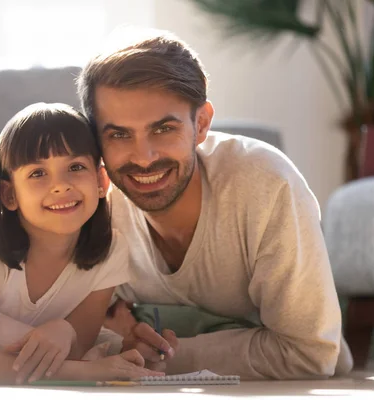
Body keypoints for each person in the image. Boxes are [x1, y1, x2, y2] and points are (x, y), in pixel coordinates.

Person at [75, 28, 353, 380]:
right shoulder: (90, 201)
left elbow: (310, 354)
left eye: (163, 129)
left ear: (202, 123)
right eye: (118, 134)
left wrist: (157, 355)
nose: (143, 158)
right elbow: (69, 335)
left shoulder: (267, 185)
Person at [0, 102, 164, 385]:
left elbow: (79, 346)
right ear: (9, 194)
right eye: (38, 173)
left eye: (75, 167)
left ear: (101, 181)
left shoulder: (111, 251)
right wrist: (87, 372)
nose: (60, 185)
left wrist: (66, 330)